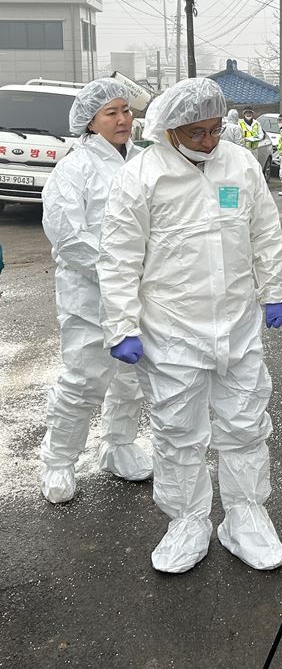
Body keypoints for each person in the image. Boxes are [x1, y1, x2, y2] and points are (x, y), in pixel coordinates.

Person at [97, 78, 282, 574]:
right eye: (198, 132)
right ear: (170, 129)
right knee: (179, 431)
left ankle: (245, 515)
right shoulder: (142, 176)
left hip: (237, 322)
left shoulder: (240, 164)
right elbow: (118, 257)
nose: (210, 141)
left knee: (245, 425)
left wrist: (273, 291)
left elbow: (265, 230)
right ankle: (187, 521)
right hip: (171, 328)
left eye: (216, 129)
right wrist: (122, 325)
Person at [40, 78, 152, 504]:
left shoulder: (143, 162)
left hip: (138, 294)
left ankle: (118, 445)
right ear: (90, 123)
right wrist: (120, 269)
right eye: (112, 113)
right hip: (89, 296)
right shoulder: (75, 169)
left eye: (126, 110)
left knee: (131, 377)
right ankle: (59, 460)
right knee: (84, 379)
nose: (124, 119)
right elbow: (68, 237)